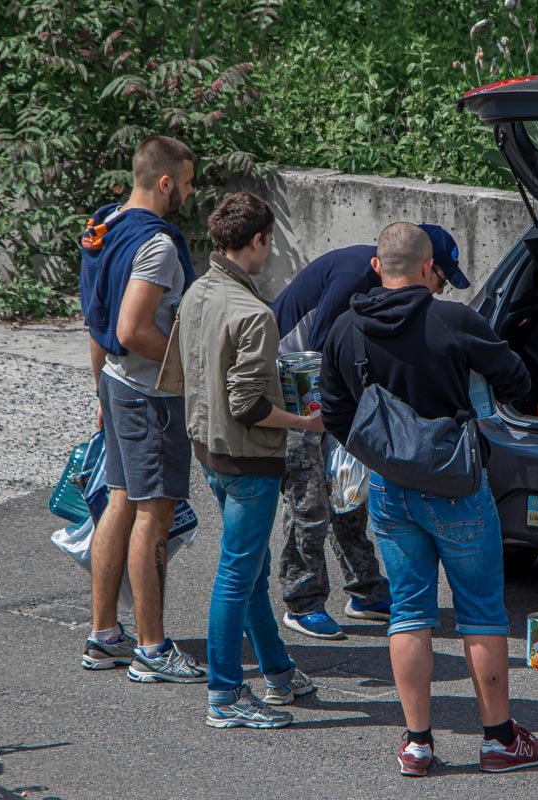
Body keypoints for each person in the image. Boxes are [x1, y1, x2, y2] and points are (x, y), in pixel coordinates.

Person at [318, 222, 538, 777]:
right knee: (481, 613)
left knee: (409, 612)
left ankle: (418, 745)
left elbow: (332, 413)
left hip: (390, 490)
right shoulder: (454, 319)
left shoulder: (346, 328)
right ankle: (498, 741)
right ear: (429, 269)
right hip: (458, 488)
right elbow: (518, 381)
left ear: (377, 265)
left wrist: (383, 450)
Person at [270, 225, 469, 640]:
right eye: (440, 280)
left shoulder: (386, 290)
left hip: (335, 393)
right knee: (310, 498)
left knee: (351, 492)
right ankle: (302, 601)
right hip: (297, 388)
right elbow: (319, 349)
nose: (439, 291)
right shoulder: (356, 273)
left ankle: (366, 591)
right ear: (423, 265)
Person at [178, 192, 321, 729]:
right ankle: (225, 696)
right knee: (237, 575)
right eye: (269, 243)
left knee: (252, 571)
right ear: (257, 240)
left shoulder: (198, 291)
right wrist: (305, 422)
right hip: (247, 464)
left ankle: (279, 674)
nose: (269, 252)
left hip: (209, 452)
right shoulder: (255, 314)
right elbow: (249, 405)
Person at [78, 135, 206, 683]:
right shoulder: (155, 245)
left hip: (116, 384)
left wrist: (100, 391)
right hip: (151, 396)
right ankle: (152, 648)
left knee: (120, 501)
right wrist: (193, 363)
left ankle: (104, 636)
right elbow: (131, 329)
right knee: (154, 513)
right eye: (188, 180)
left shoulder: (104, 226)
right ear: (164, 182)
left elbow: (96, 319)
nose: (191, 190)